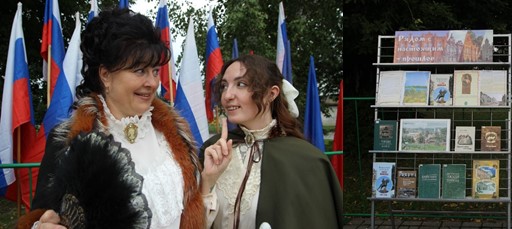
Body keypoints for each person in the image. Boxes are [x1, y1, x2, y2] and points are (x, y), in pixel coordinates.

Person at [26, 9, 208, 228]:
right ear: (105, 75)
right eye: (140, 71)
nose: (152, 82)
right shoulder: (68, 142)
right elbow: (41, 216)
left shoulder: (175, 135)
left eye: (155, 71)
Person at [199, 54, 343, 228]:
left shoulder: (307, 160)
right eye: (224, 86)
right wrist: (207, 181)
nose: (227, 95)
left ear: (271, 94)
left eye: (241, 84)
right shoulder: (212, 150)